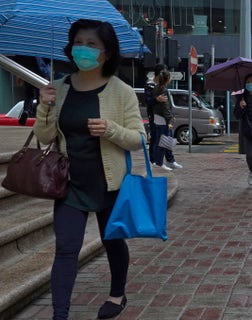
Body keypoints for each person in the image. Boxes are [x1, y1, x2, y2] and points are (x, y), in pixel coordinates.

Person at [35, 19, 146, 320]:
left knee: (112, 242)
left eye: (92, 44)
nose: (82, 49)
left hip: (109, 184)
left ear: (107, 53)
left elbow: (138, 139)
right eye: (78, 42)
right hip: (69, 183)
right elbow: (45, 138)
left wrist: (110, 129)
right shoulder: (57, 88)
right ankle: (60, 315)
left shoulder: (121, 91)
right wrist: (44, 106)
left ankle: (117, 294)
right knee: (66, 249)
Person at [145, 63, 182, 170]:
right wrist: (156, 99)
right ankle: (155, 161)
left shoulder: (160, 87)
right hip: (156, 117)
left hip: (162, 117)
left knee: (166, 138)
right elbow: (148, 101)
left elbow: (166, 105)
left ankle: (169, 160)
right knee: (157, 139)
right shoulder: (151, 85)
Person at [151, 69, 179, 171]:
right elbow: (165, 107)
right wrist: (170, 121)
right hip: (163, 119)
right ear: (168, 79)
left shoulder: (156, 88)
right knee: (163, 141)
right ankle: (160, 162)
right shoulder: (164, 90)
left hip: (158, 117)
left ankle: (168, 160)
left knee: (163, 140)